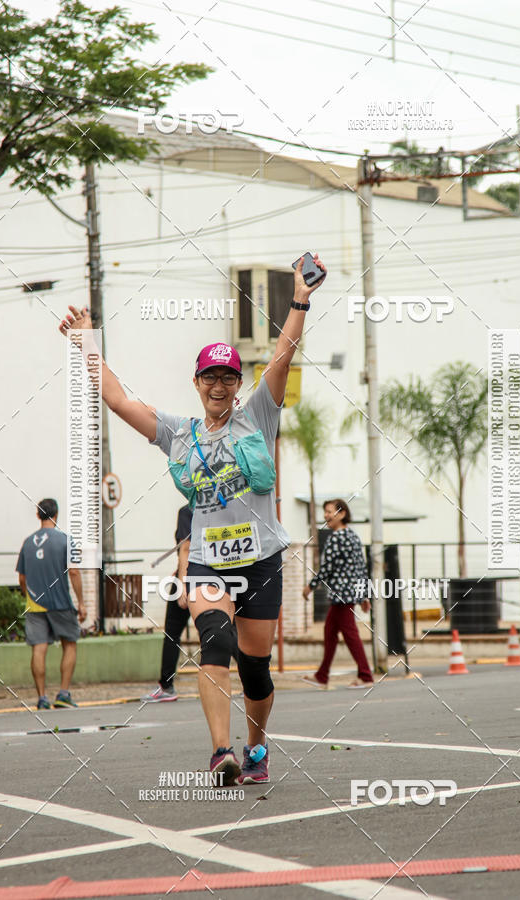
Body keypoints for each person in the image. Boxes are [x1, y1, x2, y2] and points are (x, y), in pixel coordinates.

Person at [58, 253, 326, 785]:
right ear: (197, 381)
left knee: (254, 669)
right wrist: (85, 340)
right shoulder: (178, 432)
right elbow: (116, 398)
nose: (220, 386)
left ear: (238, 381)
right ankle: (220, 752)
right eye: (211, 377)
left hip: (263, 559)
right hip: (207, 561)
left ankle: (255, 747)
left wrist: (301, 297)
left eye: (229, 377)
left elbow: (284, 351)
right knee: (215, 642)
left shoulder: (258, 414)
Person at [142, 504, 238, 702]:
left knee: (172, 631)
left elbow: (185, 548)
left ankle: (167, 687)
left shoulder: (189, 511)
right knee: (228, 630)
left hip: (193, 578)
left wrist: (183, 583)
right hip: (220, 578)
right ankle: (252, 680)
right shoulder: (224, 507)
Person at [16, 498, 87, 710]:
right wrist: (81, 603)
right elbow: (74, 571)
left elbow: (21, 578)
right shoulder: (66, 540)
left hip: (35, 604)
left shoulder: (27, 542)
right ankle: (63, 694)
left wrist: (28, 595)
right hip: (61, 603)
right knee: (70, 643)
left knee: (39, 649)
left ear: (39, 515)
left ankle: (42, 698)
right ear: (56, 515)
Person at [302, 499, 374, 690]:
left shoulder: (336, 538)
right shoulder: (353, 536)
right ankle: (322, 675)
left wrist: (310, 586)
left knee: (350, 634)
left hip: (341, 594)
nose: (326, 516)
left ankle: (366, 675)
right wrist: (364, 595)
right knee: (330, 632)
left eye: (329, 512)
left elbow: (326, 569)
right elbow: (362, 568)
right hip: (349, 594)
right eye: (325, 512)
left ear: (341, 514)